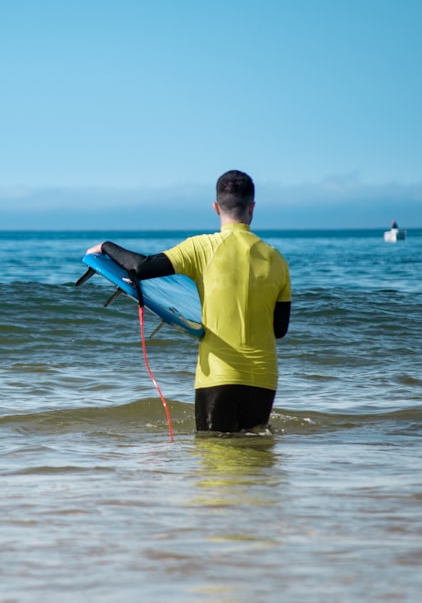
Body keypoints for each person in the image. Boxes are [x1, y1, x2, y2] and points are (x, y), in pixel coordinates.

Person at [86, 170, 291, 434]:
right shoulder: (277, 260)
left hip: (219, 375)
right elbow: (279, 330)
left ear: (216, 208)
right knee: (255, 455)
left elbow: (143, 267)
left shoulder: (202, 247)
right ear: (252, 207)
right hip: (264, 378)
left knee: (214, 457)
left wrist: (105, 246)